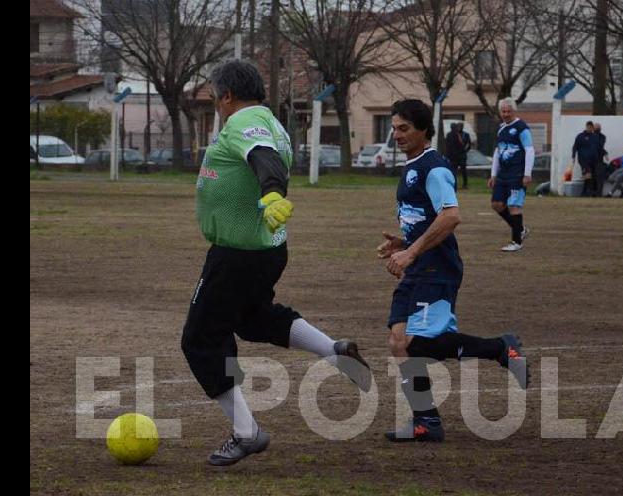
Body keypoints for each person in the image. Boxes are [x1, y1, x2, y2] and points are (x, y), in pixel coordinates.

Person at [180, 61, 373, 467]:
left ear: (227, 96)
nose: (216, 105)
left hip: (237, 252)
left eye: (216, 97)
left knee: (200, 338)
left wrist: (270, 194)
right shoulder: (269, 119)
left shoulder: (243, 121)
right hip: (265, 249)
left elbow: (264, 159)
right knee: (251, 318)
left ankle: (246, 432)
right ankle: (332, 350)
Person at [377, 99, 530, 442]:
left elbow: (451, 215)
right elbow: (429, 219)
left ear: (424, 130)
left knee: (415, 345)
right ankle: (425, 422)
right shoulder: (412, 165)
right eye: (394, 128)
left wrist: (412, 251)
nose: (396, 134)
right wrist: (404, 243)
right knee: (399, 343)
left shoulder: (435, 168)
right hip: (420, 265)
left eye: (404, 128)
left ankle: (500, 349)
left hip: (436, 269)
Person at [489, 98, 533, 251]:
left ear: (514, 111)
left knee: (514, 205)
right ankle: (520, 228)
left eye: (509, 111)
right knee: (496, 204)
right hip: (503, 174)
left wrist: (527, 173)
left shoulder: (522, 128)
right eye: (503, 111)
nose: (506, 114)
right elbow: (497, 151)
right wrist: (493, 174)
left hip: (517, 173)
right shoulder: (501, 128)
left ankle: (516, 242)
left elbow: (529, 150)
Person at [571, 121, 605, 197]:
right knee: (588, 174)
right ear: (586, 127)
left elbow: (599, 148)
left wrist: (605, 153)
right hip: (583, 160)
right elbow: (575, 147)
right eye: (588, 127)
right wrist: (573, 156)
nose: (589, 128)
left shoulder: (595, 137)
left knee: (590, 177)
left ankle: (585, 193)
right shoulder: (580, 136)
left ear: (592, 128)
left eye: (590, 127)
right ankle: (587, 192)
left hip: (593, 161)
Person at [444, 122, 472, 189]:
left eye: (460, 126)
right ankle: (454, 184)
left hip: (462, 155)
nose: (459, 128)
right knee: (454, 170)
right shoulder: (451, 134)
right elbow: (448, 145)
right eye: (458, 126)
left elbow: (468, 144)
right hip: (454, 156)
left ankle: (465, 185)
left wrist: (465, 150)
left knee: (463, 171)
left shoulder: (465, 134)